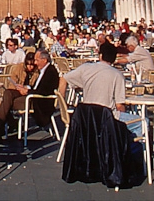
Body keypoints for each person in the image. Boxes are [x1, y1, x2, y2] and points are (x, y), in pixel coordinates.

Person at [58, 41, 140, 188]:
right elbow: (120, 106)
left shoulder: (86, 69)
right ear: (114, 59)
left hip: (87, 117)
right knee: (142, 122)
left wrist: (61, 102)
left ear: (100, 55)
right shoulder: (117, 75)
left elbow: (63, 79)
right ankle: (135, 163)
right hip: (108, 119)